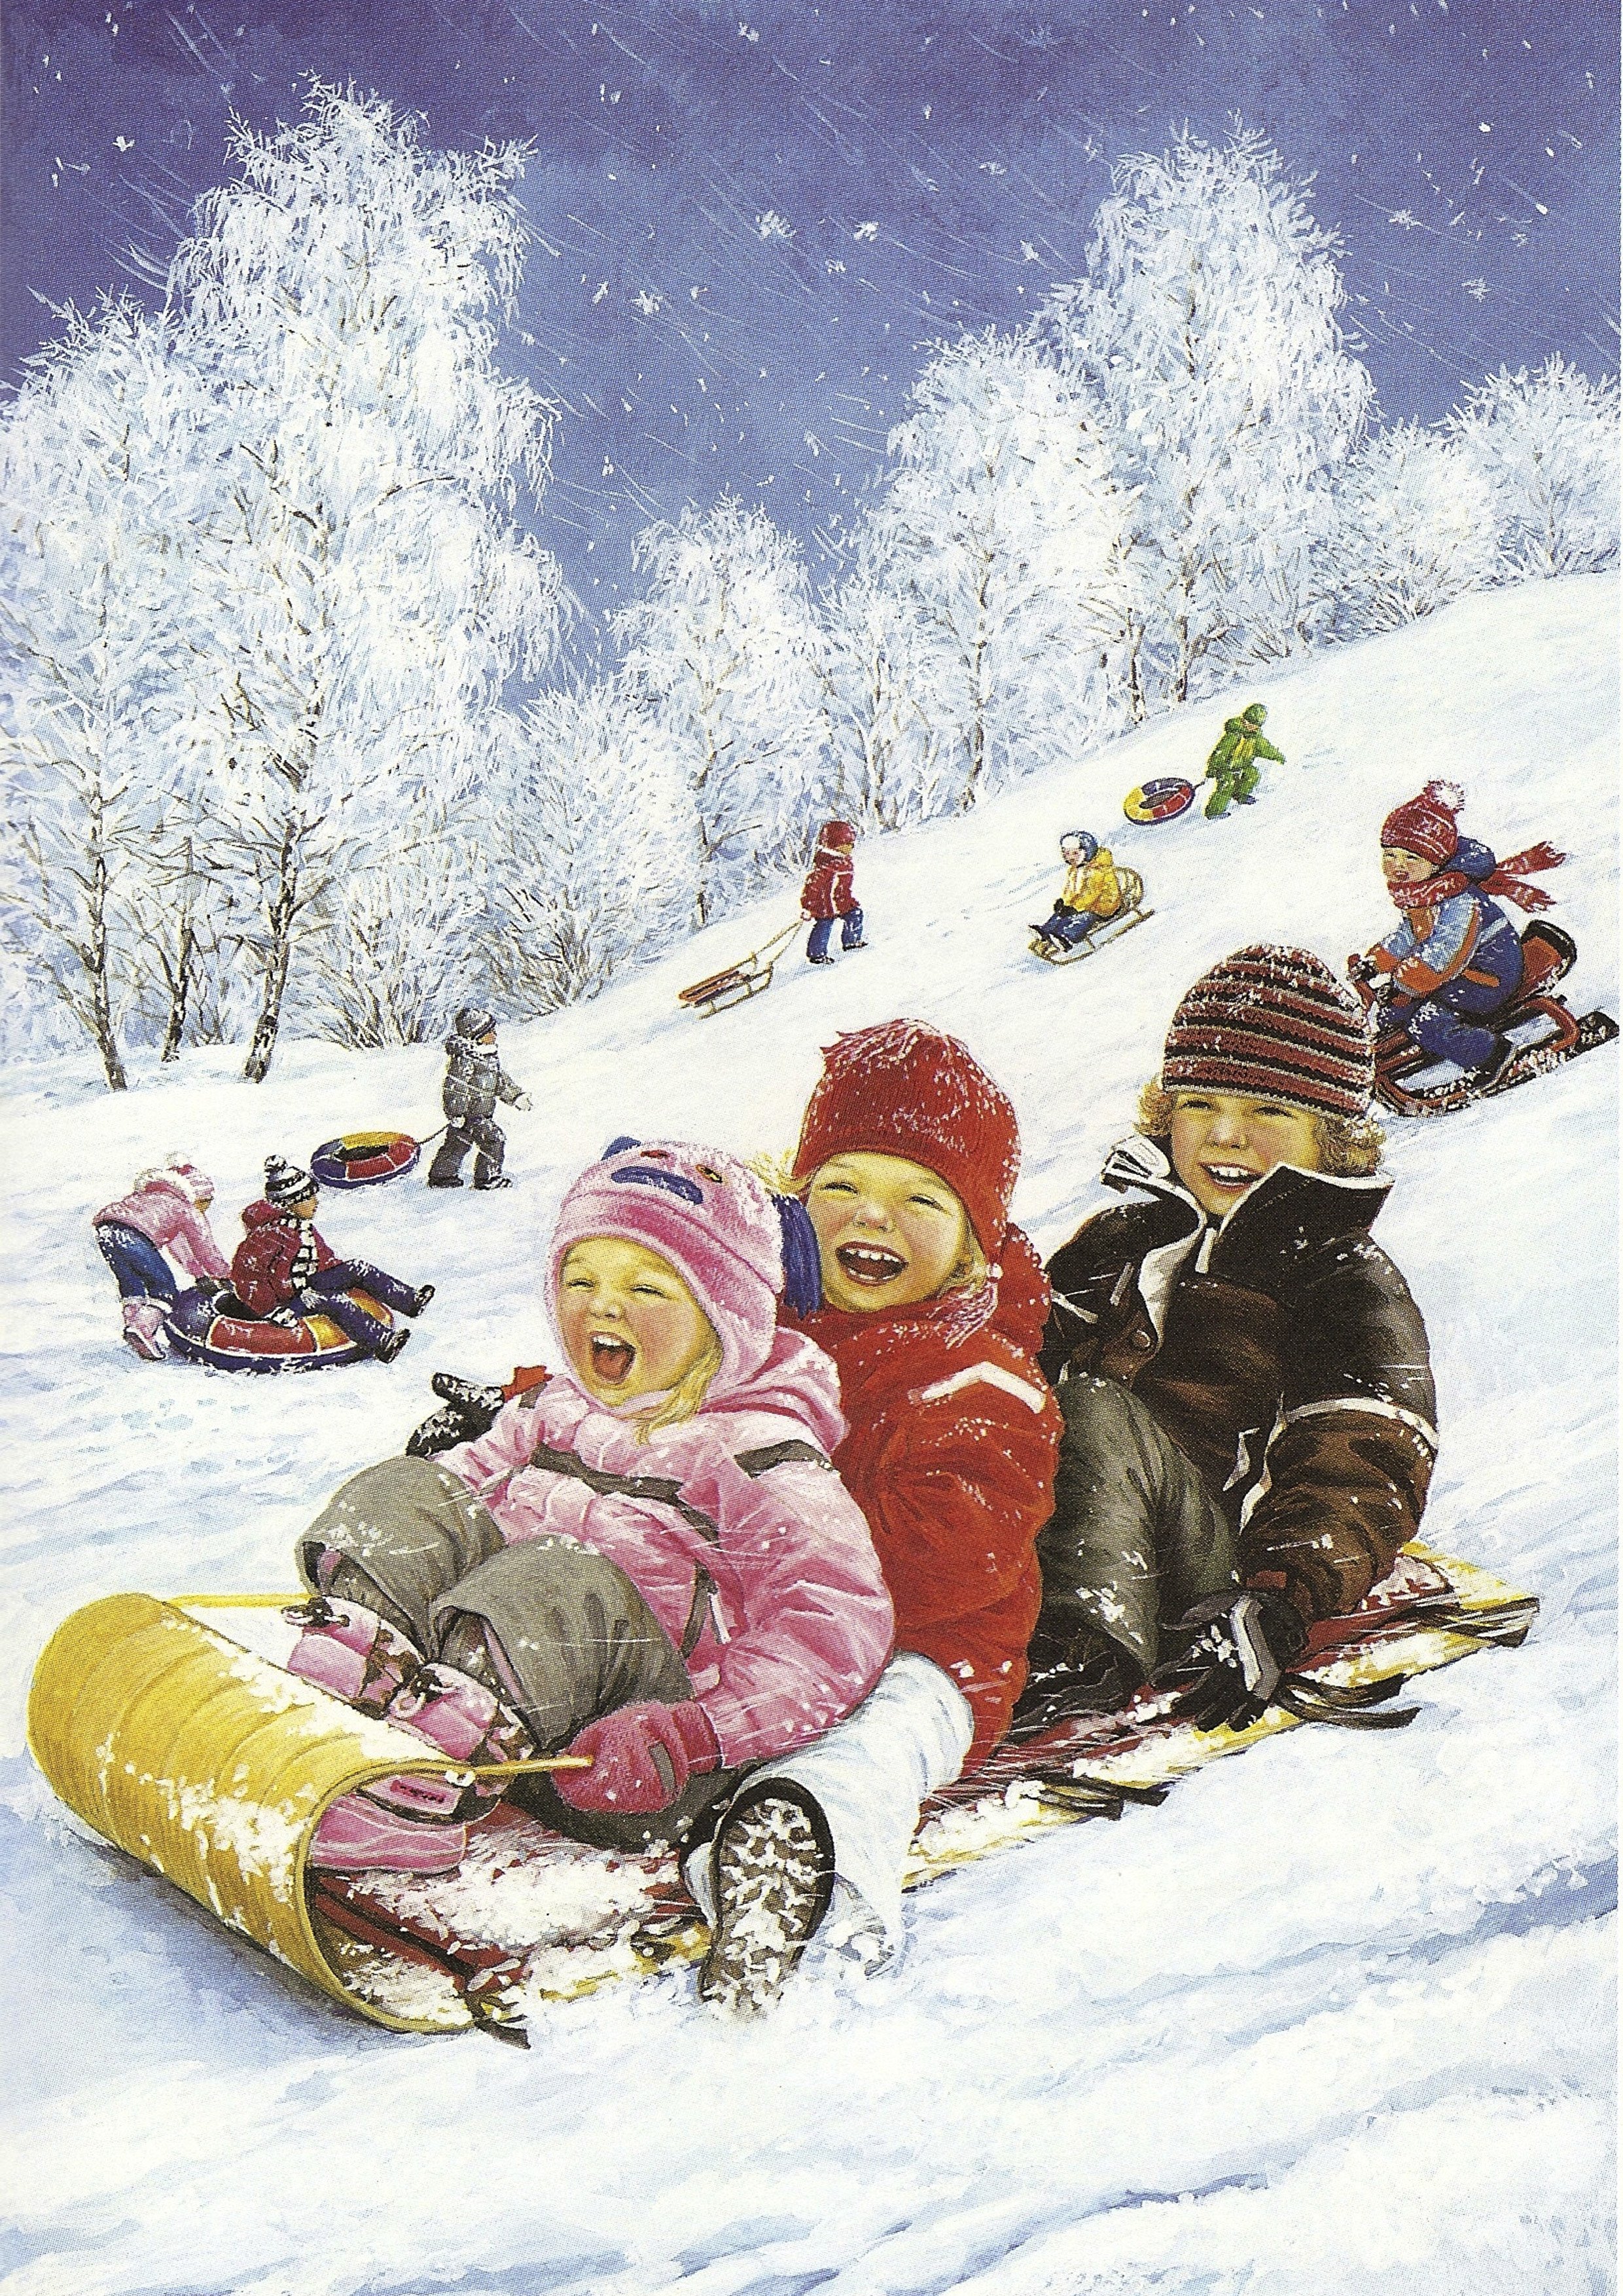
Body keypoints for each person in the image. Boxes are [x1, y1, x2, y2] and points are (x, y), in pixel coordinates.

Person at [281, 1139, 893, 1877]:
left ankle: (408, 1808)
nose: (602, 1304)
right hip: (488, 1715)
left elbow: (835, 1628)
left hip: (629, 1764)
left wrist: (700, 1733)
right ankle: (342, 1708)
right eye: (581, 1280)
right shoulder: (554, 1408)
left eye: (647, 1289)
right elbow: (452, 1496)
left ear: (723, 1317)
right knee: (407, 1490)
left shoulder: (758, 1455)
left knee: (555, 1572)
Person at [687, 1020, 1063, 2016]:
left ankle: (796, 1844)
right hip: (748, 1623)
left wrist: (752, 1540)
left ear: (975, 1241)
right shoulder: (751, 1328)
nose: (871, 1216)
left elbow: (948, 1559)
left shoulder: (984, 1382)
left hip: (927, 1651)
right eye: (841, 1184)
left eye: (920, 1198)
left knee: (880, 1741)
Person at [1025, 944, 1437, 1734]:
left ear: (1331, 1134)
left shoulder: (1337, 1272)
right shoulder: (1121, 1236)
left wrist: (1280, 1596)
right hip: (1064, 1531)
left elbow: (1362, 1451)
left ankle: (1083, 1650)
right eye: (1198, 1104)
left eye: (1267, 1113)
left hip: (1212, 1569)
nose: (1225, 1136)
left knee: (1097, 1409)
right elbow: (1020, 1364)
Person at [1349, 779, 1566, 1086]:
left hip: (1489, 977)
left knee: (1425, 1020)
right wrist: (1376, 963)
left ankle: (1492, 1055)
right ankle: (1379, 1051)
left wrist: (1405, 984)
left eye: (1411, 858)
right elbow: (1408, 935)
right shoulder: (1424, 893)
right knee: (1391, 1008)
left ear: (1435, 862)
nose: (1398, 866)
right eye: (1390, 855)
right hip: (1456, 972)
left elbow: (1446, 953)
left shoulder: (1459, 901)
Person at [232, 1157, 433, 1366]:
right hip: (288, 1299)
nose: (316, 1202)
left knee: (358, 1268)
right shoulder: (268, 1236)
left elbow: (322, 1257)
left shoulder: (302, 1227)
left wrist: (344, 1274)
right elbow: (247, 1277)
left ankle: (410, 1301)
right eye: (308, 1199)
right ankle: (382, 1342)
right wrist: (272, 1310)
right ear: (290, 1204)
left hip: (308, 1280)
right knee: (334, 1301)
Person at [92, 1158, 231, 1360]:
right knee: (165, 1289)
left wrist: (200, 1276)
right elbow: (205, 1250)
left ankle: (134, 1329)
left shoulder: (154, 1197)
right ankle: (142, 1329)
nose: (205, 1209)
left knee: (132, 1284)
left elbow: (181, 1249)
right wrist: (224, 1275)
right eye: (205, 1202)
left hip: (107, 1231)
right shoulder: (186, 1209)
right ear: (195, 1197)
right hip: (135, 1236)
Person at [427, 1006, 532, 1190]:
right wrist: (456, 1113)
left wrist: (516, 1097)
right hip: (470, 1115)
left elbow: (500, 1081)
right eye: (490, 1032)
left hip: (479, 1114)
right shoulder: (464, 1060)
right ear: (477, 1035)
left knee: (458, 1144)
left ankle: (442, 1176)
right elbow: (455, 1087)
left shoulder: (488, 1056)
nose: (495, 1034)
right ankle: (487, 1178)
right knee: (494, 1139)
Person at [1029, 830, 1127, 950]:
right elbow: (1070, 890)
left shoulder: (1097, 871)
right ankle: (1045, 931)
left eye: (1075, 853)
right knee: (1061, 913)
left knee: (1084, 918)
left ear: (1087, 852)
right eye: (1066, 853)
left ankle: (1066, 937)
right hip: (1084, 903)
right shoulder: (1074, 870)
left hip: (1104, 905)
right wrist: (1064, 903)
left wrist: (1075, 908)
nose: (1070, 858)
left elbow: (1091, 894)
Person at [799, 820, 866, 965]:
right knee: (824, 926)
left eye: (852, 844)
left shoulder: (845, 863)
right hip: (825, 906)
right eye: (847, 844)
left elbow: (844, 887)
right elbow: (812, 888)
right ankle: (817, 954)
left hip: (842, 903)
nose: (851, 847)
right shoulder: (825, 866)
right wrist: (808, 907)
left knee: (855, 914)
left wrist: (848, 900)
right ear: (835, 845)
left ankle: (851, 941)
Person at [1202, 701, 1283, 818]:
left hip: (1243, 765)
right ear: (1243, 719)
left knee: (1253, 774)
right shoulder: (1234, 735)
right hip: (1225, 767)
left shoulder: (1256, 738)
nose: (1251, 726)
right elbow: (1221, 752)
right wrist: (1213, 768)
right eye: (1248, 722)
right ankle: (1214, 811)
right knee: (1227, 784)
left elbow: (1266, 749)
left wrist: (1279, 757)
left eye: (1255, 725)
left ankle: (1240, 794)